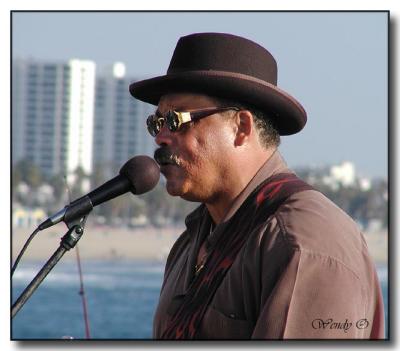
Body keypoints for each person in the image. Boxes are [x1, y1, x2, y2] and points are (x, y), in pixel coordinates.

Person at [129, 32, 384, 339]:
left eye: (176, 120)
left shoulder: (304, 241)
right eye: (157, 123)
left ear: (242, 127)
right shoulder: (193, 240)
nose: (161, 137)